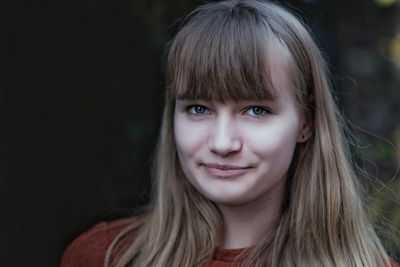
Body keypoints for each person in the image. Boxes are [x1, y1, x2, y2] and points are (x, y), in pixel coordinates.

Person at [61, 0, 399, 266]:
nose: (222, 143)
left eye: (256, 110)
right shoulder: (103, 258)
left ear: (305, 122)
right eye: (198, 108)